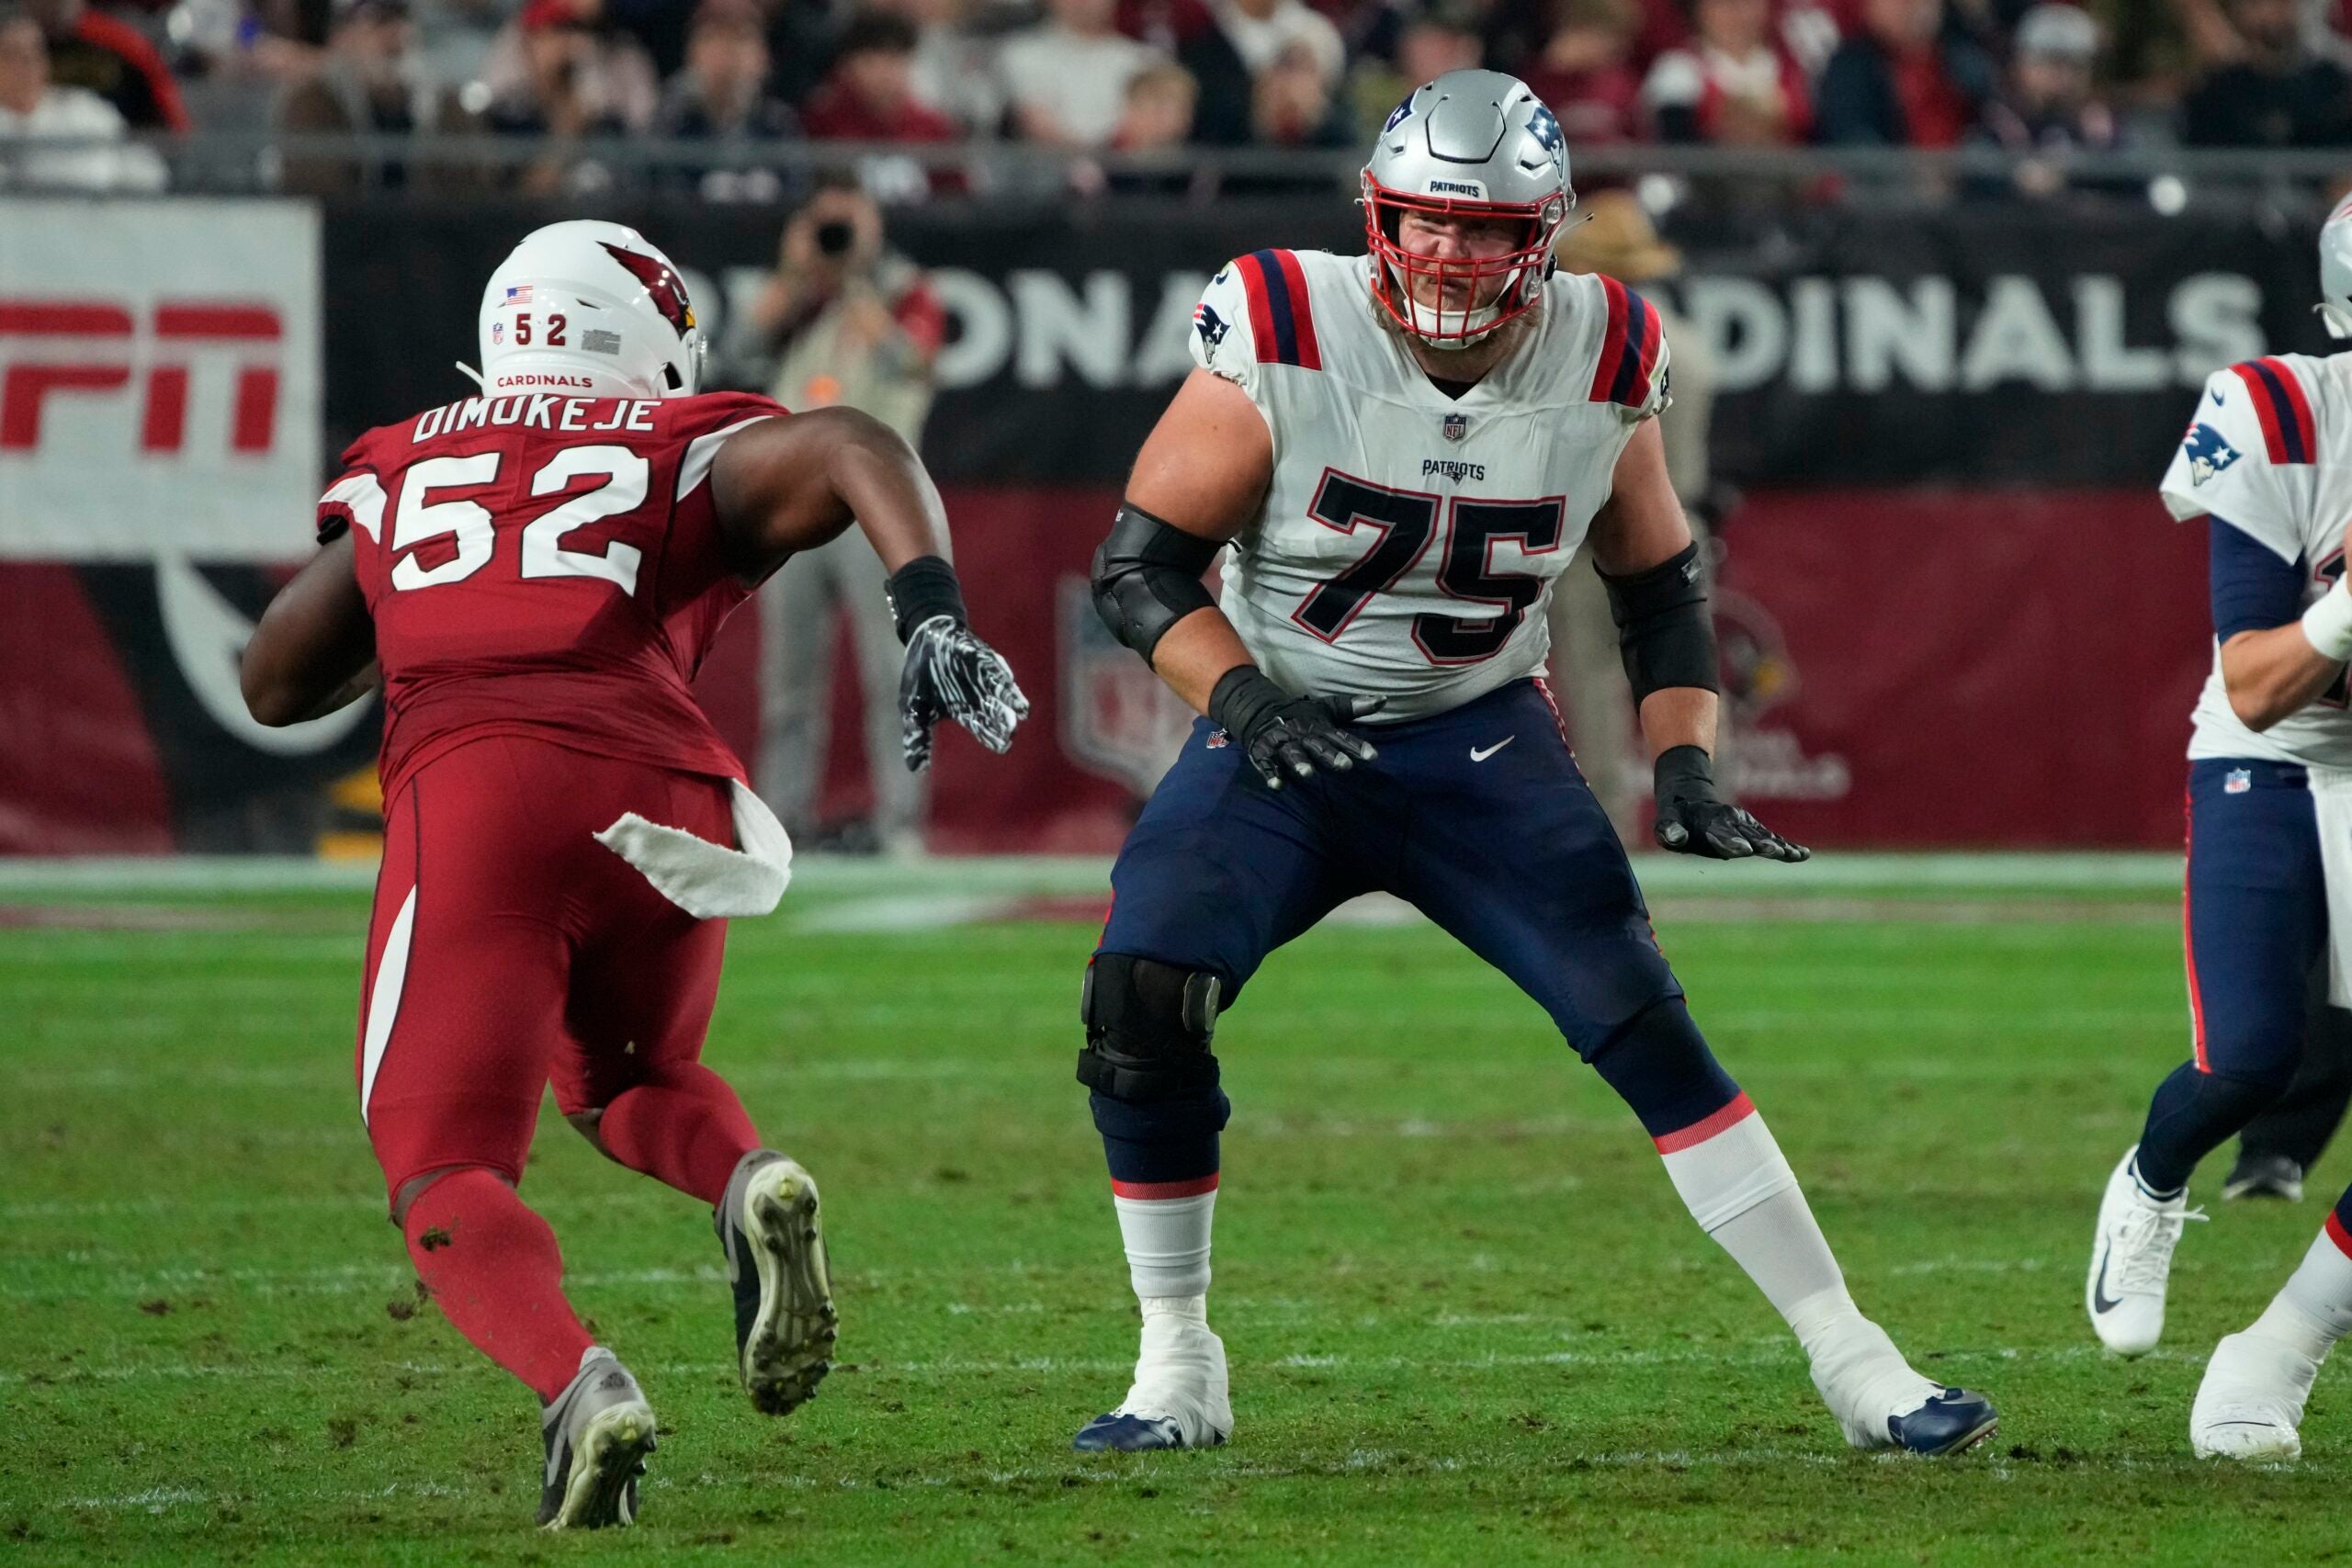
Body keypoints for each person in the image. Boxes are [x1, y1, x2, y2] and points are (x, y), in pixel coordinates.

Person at [1069, 69, 1996, 1458]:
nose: (1451, 252)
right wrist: (1250, 704)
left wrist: (1683, 762)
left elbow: (1662, 584)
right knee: (1141, 994)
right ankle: (1177, 1357)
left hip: (1476, 739)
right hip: (1285, 731)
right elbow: (1139, 569)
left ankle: (1856, 1357)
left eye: (1488, 228)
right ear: (1377, 216)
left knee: (1638, 1008)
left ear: (1544, 237)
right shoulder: (1284, 321)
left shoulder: (1607, 344)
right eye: (1427, 220)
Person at [238, 220, 1026, 1527]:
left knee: (439, 1157)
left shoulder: (407, 459)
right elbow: (853, 444)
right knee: (624, 1073)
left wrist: (424, 592)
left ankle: (577, 1379)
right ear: (651, 346)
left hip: (482, 787)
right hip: (668, 799)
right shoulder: (671, 438)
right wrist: (930, 603)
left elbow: (272, 676)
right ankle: (742, 1180)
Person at [2087, 209, 2352, 1416]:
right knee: (2249, 1056)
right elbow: (2252, 675)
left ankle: (2277, 1350)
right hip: (2277, 751)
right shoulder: (2284, 411)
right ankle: (2149, 1179)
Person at [746, 180, 948, 856]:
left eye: (845, 218)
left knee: (889, 667)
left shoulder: (906, 289)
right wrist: (793, 275)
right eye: (823, 219)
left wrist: (857, 279)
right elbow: (737, 356)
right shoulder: (797, 297)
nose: (833, 231)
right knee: (788, 678)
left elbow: (909, 359)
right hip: (794, 499)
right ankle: (783, 819)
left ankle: (900, 821)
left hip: (875, 502)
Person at [1547, 189, 1720, 840]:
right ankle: (1708, 810)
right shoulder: (1693, 347)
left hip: (1599, 534)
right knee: (1685, 675)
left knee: (1593, 684)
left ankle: (1610, 825)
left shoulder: (1586, 352)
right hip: (1681, 528)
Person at [0, 3, 165, 190]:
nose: (26, 64)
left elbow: (144, 169)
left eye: (35, 53)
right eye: (12, 54)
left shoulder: (83, 110)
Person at [1812, 0, 1996, 146]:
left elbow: (1995, 122)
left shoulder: (1963, 59)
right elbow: (1853, 139)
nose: (1916, 9)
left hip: (1962, 184)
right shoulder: (1850, 67)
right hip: (1890, 187)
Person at [2181, 0, 2352, 147]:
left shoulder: (2329, 83)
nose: (2276, 13)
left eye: (2284, 3)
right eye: (2262, 3)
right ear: (2242, 13)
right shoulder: (2218, 89)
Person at [997, 0, 1165, 149]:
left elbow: (1151, 130)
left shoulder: (1145, 61)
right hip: (1046, 176)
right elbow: (1039, 126)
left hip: (1126, 176)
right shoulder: (1020, 53)